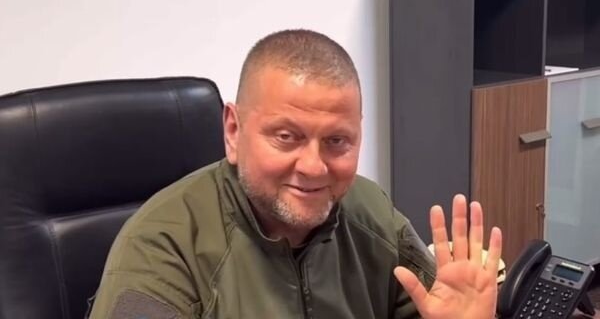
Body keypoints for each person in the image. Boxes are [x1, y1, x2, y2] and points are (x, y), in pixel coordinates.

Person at [87, 29, 502, 319]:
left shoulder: (371, 213)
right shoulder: (162, 247)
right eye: (286, 137)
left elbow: (442, 306)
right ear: (233, 131)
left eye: (337, 141)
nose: (314, 167)